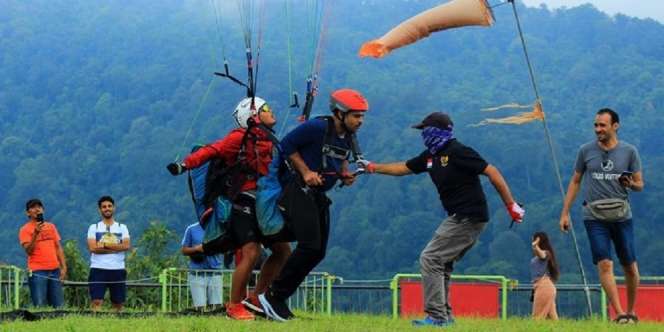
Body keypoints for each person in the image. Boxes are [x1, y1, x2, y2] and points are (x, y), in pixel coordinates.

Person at [361, 112, 525, 327]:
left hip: (469, 216)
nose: (423, 135)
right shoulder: (431, 156)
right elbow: (403, 168)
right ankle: (444, 317)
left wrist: (510, 205)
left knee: (430, 258)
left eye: (425, 131)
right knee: (442, 263)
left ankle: (437, 317)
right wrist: (372, 167)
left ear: (436, 131)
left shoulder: (458, 151)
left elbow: (492, 171)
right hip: (458, 216)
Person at [168, 97, 291, 320]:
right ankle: (234, 305)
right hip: (243, 200)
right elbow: (212, 150)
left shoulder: (268, 139)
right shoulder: (239, 138)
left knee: (283, 251)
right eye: (266, 109)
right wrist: (184, 164)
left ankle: (257, 298)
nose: (272, 111)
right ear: (252, 116)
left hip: (264, 202)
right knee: (251, 252)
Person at [258, 88, 368, 321]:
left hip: (318, 195)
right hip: (297, 190)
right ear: (339, 113)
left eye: (362, 116)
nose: (360, 121)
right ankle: (271, 297)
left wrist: (345, 174)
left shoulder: (348, 136)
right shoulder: (317, 128)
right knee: (308, 245)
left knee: (318, 252)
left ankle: (277, 299)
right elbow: (286, 145)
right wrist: (306, 171)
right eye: (356, 115)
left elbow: (339, 161)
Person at [559, 108, 643, 324]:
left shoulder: (630, 152)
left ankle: (631, 310)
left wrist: (630, 183)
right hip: (593, 216)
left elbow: (640, 185)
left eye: (602, 125)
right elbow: (575, 181)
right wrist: (565, 212)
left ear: (615, 126)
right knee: (604, 264)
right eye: (596, 125)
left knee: (629, 265)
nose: (598, 129)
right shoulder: (585, 151)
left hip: (622, 215)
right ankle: (619, 314)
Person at [18, 198, 67, 308]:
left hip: (55, 270)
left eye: (39, 207)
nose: (37, 209)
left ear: (43, 210)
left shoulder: (51, 226)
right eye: (33, 207)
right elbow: (28, 251)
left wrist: (63, 268)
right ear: (28, 212)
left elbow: (58, 247)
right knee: (40, 306)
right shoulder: (25, 229)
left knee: (59, 306)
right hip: (38, 271)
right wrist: (35, 233)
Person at [87, 196, 131, 312]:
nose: (107, 209)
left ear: (114, 208)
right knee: (96, 301)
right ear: (100, 210)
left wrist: (103, 244)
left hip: (117, 269)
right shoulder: (94, 227)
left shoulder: (122, 227)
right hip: (98, 268)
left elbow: (126, 246)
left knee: (118, 303)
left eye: (109, 206)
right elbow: (92, 248)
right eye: (104, 207)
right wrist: (116, 247)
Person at [181, 222, 223, 311]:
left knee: (216, 306)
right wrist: (196, 249)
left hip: (215, 272)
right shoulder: (191, 229)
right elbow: (184, 250)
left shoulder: (219, 228)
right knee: (199, 307)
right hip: (197, 273)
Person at [530, 232, 559, 320]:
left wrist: (535, 245)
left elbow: (541, 254)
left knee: (537, 317)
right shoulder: (537, 256)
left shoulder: (546, 253)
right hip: (543, 286)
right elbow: (537, 252)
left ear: (538, 240)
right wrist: (535, 247)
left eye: (533, 239)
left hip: (544, 286)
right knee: (552, 319)